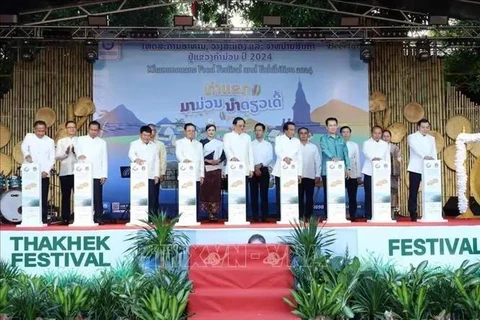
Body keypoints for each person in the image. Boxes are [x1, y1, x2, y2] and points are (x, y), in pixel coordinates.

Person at [21, 120, 55, 224]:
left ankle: (43, 219)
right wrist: (27, 155)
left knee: (43, 197)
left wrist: (46, 171)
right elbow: (24, 147)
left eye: (43, 131)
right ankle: (28, 218)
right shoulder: (29, 137)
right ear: (34, 129)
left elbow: (52, 158)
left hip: (43, 174)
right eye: (38, 131)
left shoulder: (50, 141)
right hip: (30, 173)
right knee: (29, 196)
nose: (40, 133)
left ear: (46, 130)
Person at [75, 121, 108, 222]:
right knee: (83, 196)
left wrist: (104, 175)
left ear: (98, 131)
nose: (93, 132)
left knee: (98, 197)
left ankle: (98, 217)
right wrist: (79, 155)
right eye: (92, 129)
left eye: (96, 130)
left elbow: (104, 159)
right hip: (83, 174)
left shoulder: (102, 142)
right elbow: (77, 150)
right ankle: (82, 217)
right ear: (88, 129)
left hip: (97, 173)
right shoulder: (80, 140)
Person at [319, 117, 350, 218]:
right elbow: (324, 149)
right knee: (328, 194)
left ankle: (339, 215)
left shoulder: (341, 139)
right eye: (330, 125)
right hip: (327, 171)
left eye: (334, 125)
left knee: (339, 193)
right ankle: (328, 215)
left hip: (340, 171)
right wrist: (333, 157)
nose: (332, 127)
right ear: (326, 127)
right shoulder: (323, 138)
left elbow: (346, 154)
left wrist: (348, 167)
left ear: (337, 126)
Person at [407, 118, 437, 221]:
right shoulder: (412, 137)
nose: (425, 129)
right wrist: (425, 156)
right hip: (416, 167)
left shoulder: (431, 138)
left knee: (431, 189)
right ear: (418, 127)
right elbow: (415, 148)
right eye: (423, 127)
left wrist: (434, 163)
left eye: (427, 127)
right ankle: (413, 212)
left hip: (429, 168)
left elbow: (434, 152)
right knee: (413, 191)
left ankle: (432, 210)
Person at [223, 117, 254, 213]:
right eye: (240, 126)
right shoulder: (227, 136)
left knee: (244, 193)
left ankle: (243, 214)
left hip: (244, 170)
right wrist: (232, 157)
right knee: (233, 192)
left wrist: (251, 168)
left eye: (243, 126)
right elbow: (226, 149)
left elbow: (250, 153)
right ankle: (233, 214)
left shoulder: (247, 137)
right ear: (234, 126)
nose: (242, 128)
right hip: (232, 169)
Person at [272, 121, 303, 217]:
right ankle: (280, 215)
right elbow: (278, 150)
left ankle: (292, 215)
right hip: (281, 170)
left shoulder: (297, 141)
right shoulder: (279, 139)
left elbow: (299, 157)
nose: (293, 132)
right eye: (291, 130)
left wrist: (299, 173)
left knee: (292, 194)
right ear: (285, 130)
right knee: (280, 193)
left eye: (294, 130)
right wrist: (284, 157)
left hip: (293, 171)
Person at [128, 125, 160, 215]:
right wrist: (136, 159)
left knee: (152, 197)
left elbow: (157, 161)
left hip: (151, 175)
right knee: (139, 196)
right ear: (140, 134)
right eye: (144, 135)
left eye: (148, 135)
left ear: (151, 135)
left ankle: (152, 218)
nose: (146, 137)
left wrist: (157, 175)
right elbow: (131, 154)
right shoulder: (134, 144)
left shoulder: (154, 146)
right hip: (138, 176)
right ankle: (139, 216)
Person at [361, 126, 390, 220]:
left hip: (381, 174)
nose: (377, 135)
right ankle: (368, 215)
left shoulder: (385, 144)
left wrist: (387, 171)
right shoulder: (367, 143)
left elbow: (387, 157)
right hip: (369, 172)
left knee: (381, 194)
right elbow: (366, 153)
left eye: (379, 133)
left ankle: (381, 214)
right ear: (371, 133)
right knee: (369, 194)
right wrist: (373, 158)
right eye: (375, 133)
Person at [200, 124, 226, 221]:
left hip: (216, 170)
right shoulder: (202, 143)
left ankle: (214, 213)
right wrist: (208, 161)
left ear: (215, 132)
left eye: (213, 130)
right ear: (206, 131)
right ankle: (208, 212)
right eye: (209, 130)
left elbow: (223, 155)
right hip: (206, 170)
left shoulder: (219, 143)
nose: (211, 132)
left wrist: (218, 160)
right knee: (206, 192)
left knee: (215, 192)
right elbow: (199, 156)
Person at [175, 123, 204, 209]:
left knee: (196, 196)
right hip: (185, 174)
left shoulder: (199, 144)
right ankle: (184, 216)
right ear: (185, 132)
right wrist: (184, 160)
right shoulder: (179, 142)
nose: (191, 133)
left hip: (196, 175)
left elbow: (201, 160)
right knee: (185, 197)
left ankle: (195, 217)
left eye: (193, 131)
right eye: (189, 131)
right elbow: (178, 154)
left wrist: (202, 174)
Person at [55, 121, 77, 224]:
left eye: (73, 127)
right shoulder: (61, 141)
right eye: (69, 127)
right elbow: (57, 156)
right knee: (65, 196)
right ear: (66, 129)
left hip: (79, 173)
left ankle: (79, 217)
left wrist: (76, 152)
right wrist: (66, 153)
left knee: (79, 196)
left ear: (76, 129)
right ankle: (65, 218)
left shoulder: (80, 141)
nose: (71, 129)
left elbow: (85, 156)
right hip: (65, 173)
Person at [250, 123, 273, 222]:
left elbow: (270, 158)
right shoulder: (250, 144)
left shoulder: (268, 144)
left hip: (264, 169)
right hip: (252, 170)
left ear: (263, 132)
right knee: (253, 194)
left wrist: (260, 165)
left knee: (264, 194)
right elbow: (249, 157)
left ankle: (264, 216)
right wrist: (255, 167)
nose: (258, 132)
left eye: (260, 130)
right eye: (256, 130)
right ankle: (255, 216)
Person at [298, 127, 321, 221]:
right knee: (299, 198)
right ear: (298, 135)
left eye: (305, 133)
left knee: (309, 198)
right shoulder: (295, 147)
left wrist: (317, 174)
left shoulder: (313, 147)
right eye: (301, 133)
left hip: (310, 176)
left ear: (308, 135)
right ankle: (299, 216)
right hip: (298, 176)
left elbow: (318, 162)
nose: (303, 135)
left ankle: (308, 216)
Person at [340, 126, 362, 221]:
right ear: (340, 134)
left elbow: (357, 159)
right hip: (339, 173)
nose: (345, 134)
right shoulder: (337, 144)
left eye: (347, 132)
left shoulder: (354, 145)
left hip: (352, 173)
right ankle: (339, 215)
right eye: (344, 132)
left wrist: (358, 175)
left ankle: (353, 216)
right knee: (339, 196)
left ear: (350, 133)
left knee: (352, 196)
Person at [148, 124, 167, 212]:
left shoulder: (160, 144)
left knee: (154, 195)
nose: (151, 132)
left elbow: (163, 159)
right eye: (149, 130)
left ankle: (153, 216)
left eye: (153, 130)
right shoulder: (139, 144)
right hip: (142, 174)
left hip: (156, 174)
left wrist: (162, 173)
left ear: (155, 132)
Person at [382, 129, 402, 218]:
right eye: (384, 136)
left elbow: (399, 159)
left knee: (393, 192)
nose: (386, 138)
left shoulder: (395, 148)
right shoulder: (378, 147)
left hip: (392, 173)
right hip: (381, 174)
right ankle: (382, 212)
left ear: (390, 138)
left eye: (388, 136)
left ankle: (392, 213)